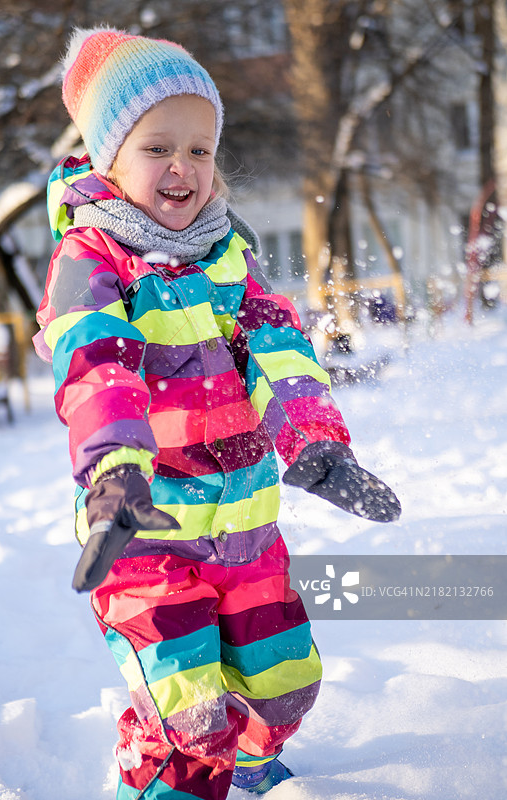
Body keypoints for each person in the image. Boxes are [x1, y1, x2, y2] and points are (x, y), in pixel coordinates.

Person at [34, 27, 401, 800]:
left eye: (200, 151)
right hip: (145, 527)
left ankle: (259, 756)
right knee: (189, 710)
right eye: (157, 147)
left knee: (287, 681)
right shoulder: (93, 261)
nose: (183, 167)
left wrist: (317, 449)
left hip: (247, 525)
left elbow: (281, 355)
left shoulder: (231, 256)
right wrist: (115, 472)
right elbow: (95, 363)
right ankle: (166, 775)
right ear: (108, 159)